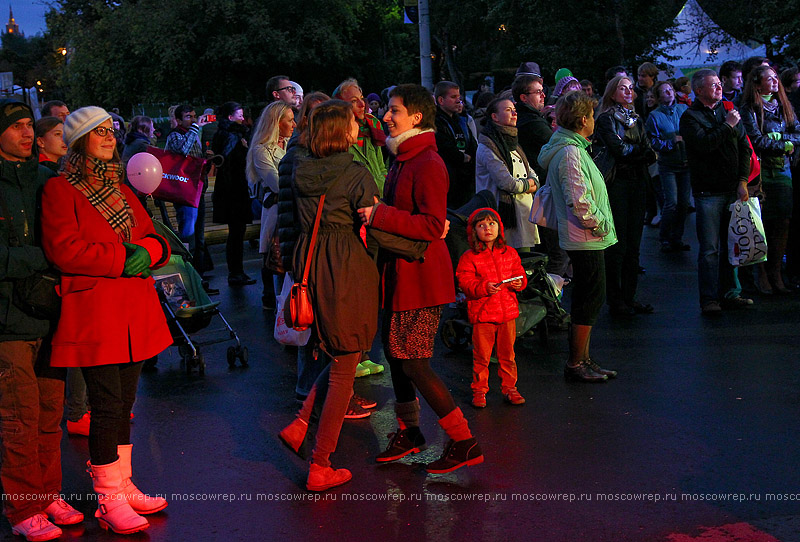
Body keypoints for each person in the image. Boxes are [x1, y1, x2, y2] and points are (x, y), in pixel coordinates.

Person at [40, 106, 172, 534]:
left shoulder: (119, 184)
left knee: (126, 404)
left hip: (133, 309)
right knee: (106, 405)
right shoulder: (61, 189)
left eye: (109, 129)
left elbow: (152, 234)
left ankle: (124, 484)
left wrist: (147, 253)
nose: (108, 136)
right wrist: (123, 258)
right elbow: (65, 250)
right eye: (97, 131)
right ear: (79, 141)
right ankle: (109, 499)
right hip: (97, 311)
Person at [358, 84, 483, 474]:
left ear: (416, 117)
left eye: (394, 110)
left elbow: (432, 224)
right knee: (398, 357)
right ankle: (409, 432)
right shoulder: (403, 157)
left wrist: (379, 215)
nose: (386, 116)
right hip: (402, 274)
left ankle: (463, 441)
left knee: (413, 362)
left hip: (421, 277)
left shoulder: (426, 161)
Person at [277, 100, 381, 491]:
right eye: (353, 123)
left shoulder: (301, 169)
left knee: (338, 353)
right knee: (347, 360)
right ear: (343, 131)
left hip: (312, 260)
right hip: (345, 264)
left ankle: (302, 422)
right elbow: (372, 228)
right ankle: (320, 463)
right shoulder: (356, 173)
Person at [1, 99, 83, 542]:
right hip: (7, 318)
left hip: (50, 314)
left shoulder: (46, 179)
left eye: (29, 126)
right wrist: (41, 257)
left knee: (50, 412)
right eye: (15, 127)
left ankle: (48, 492)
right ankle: (22, 507)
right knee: (19, 416)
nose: (26, 133)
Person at [538, 91, 618, 382]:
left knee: (590, 296)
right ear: (583, 120)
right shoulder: (571, 152)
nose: (594, 121)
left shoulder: (572, 148)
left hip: (584, 235)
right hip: (584, 236)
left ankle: (583, 358)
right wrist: (600, 226)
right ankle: (576, 362)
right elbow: (579, 200)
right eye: (593, 116)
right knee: (588, 298)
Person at [679, 69, 754, 314]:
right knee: (710, 249)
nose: (719, 88)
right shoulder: (690, 117)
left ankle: (731, 293)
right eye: (713, 85)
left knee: (733, 245)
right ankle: (709, 298)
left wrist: (743, 180)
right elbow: (703, 145)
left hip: (732, 188)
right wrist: (727, 126)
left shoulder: (728, 111)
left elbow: (744, 148)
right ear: (699, 90)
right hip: (708, 192)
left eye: (720, 84)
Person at [594, 75, 656, 318]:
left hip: (638, 182)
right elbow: (619, 150)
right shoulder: (606, 119)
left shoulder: (636, 119)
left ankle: (629, 297)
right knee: (618, 244)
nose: (629, 91)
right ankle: (616, 299)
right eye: (623, 88)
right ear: (612, 92)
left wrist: (637, 152)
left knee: (634, 244)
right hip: (618, 183)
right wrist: (639, 152)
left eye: (631, 87)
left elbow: (650, 151)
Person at [456, 208, 527, 407]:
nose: (488, 228)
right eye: (482, 225)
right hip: (483, 314)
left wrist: (518, 283)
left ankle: (510, 388)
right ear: (474, 231)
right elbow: (465, 281)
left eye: (492, 224)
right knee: (482, 357)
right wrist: (483, 287)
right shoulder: (469, 257)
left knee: (508, 355)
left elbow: (520, 275)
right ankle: (479, 391)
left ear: (499, 228)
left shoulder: (510, 253)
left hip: (506, 314)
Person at [740, 65, 800, 294]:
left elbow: (797, 133)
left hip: (783, 171)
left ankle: (776, 272)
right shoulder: (749, 109)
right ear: (757, 84)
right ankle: (762, 273)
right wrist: (783, 145)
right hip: (760, 173)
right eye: (769, 78)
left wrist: (781, 138)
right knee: (761, 225)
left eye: (776, 77)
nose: (775, 81)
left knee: (783, 222)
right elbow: (755, 140)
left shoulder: (784, 106)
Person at [513, 74, 569, 277]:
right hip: (544, 190)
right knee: (557, 253)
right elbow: (556, 143)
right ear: (523, 97)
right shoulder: (532, 123)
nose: (543, 95)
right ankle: (551, 301)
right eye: (537, 92)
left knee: (550, 251)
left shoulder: (532, 118)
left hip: (540, 190)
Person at [246, 101, 295, 309]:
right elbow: (276, 183)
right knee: (272, 250)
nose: (294, 124)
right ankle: (271, 297)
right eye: (290, 120)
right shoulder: (261, 150)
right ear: (277, 123)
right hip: (276, 206)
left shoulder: (293, 144)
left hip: (291, 205)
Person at [475, 97, 540, 251]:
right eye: (508, 110)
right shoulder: (487, 146)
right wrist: (529, 185)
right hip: (502, 216)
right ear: (494, 116)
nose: (514, 114)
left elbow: (533, 175)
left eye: (514, 110)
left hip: (524, 214)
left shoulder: (513, 144)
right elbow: (507, 183)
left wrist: (532, 183)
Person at [165, 105, 215, 291]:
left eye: (194, 116)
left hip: (197, 187)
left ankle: (200, 279)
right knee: (189, 236)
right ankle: (189, 280)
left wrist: (205, 157)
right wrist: (195, 129)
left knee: (199, 237)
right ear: (178, 120)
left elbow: (193, 157)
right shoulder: (175, 135)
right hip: (184, 190)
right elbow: (183, 152)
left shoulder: (193, 132)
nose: (193, 120)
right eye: (188, 117)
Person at [645, 81, 691, 253]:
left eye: (670, 90)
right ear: (658, 97)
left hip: (685, 163)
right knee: (671, 202)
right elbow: (654, 142)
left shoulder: (683, 109)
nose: (669, 93)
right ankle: (665, 237)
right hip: (668, 164)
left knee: (684, 203)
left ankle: (677, 238)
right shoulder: (654, 116)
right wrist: (672, 142)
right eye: (664, 91)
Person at [212, 101, 254, 286]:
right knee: (237, 232)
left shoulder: (224, 134)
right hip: (234, 189)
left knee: (236, 232)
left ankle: (236, 271)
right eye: (240, 115)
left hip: (229, 189)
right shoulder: (234, 136)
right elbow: (232, 160)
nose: (243, 118)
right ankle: (236, 272)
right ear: (231, 117)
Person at [434, 81, 478, 209]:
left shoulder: (462, 120)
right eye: (453, 97)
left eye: (459, 97)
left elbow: (473, 145)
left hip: (466, 182)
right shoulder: (436, 122)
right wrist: (462, 157)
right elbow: (445, 148)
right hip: (448, 182)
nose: (458, 101)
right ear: (441, 100)